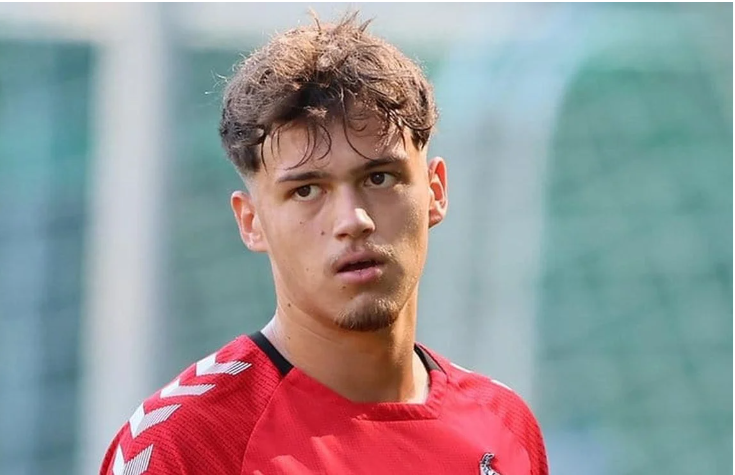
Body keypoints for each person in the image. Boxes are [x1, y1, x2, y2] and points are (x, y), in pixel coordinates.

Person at [100, 11, 548, 475]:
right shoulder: (184, 443)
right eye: (307, 190)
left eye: (379, 178)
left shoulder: (505, 424)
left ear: (435, 191)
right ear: (251, 221)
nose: (353, 220)